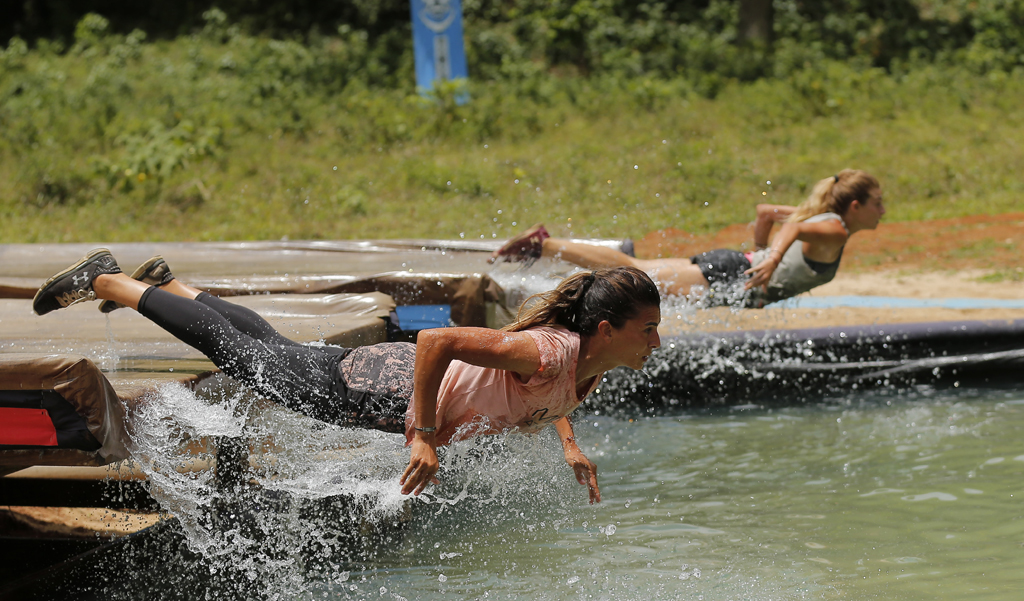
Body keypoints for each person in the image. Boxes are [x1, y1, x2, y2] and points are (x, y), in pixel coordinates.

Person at [32, 252, 662, 502]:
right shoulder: (547, 351)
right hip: (380, 387)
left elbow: (551, 397)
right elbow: (436, 340)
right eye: (648, 329)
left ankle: (170, 287)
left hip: (383, 387)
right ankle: (105, 281)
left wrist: (569, 444)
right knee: (249, 360)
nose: (657, 342)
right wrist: (423, 434)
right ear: (607, 330)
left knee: (271, 350)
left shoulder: (587, 367)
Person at [491, 169, 886, 307]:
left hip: (733, 268)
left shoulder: (823, 219)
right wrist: (770, 259)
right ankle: (543, 246)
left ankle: (540, 276)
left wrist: (762, 253)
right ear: (855, 206)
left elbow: (766, 212)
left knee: (637, 287)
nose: (883, 211)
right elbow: (792, 228)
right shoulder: (835, 229)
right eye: (877, 203)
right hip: (730, 273)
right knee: (637, 274)